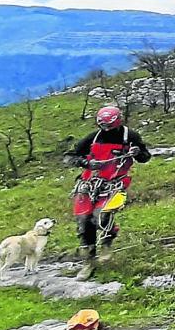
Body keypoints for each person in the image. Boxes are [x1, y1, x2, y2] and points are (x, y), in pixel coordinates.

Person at [64, 105, 151, 280]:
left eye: (108, 126)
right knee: (84, 220)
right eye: (102, 126)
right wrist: (86, 163)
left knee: (101, 215)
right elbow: (69, 157)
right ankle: (89, 262)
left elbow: (145, 157)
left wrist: (138, 152)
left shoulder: (130, 136)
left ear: (117, 122)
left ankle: (107, 238)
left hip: (115, 183)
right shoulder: (92, 138)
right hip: (90, 183)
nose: (105, 130)